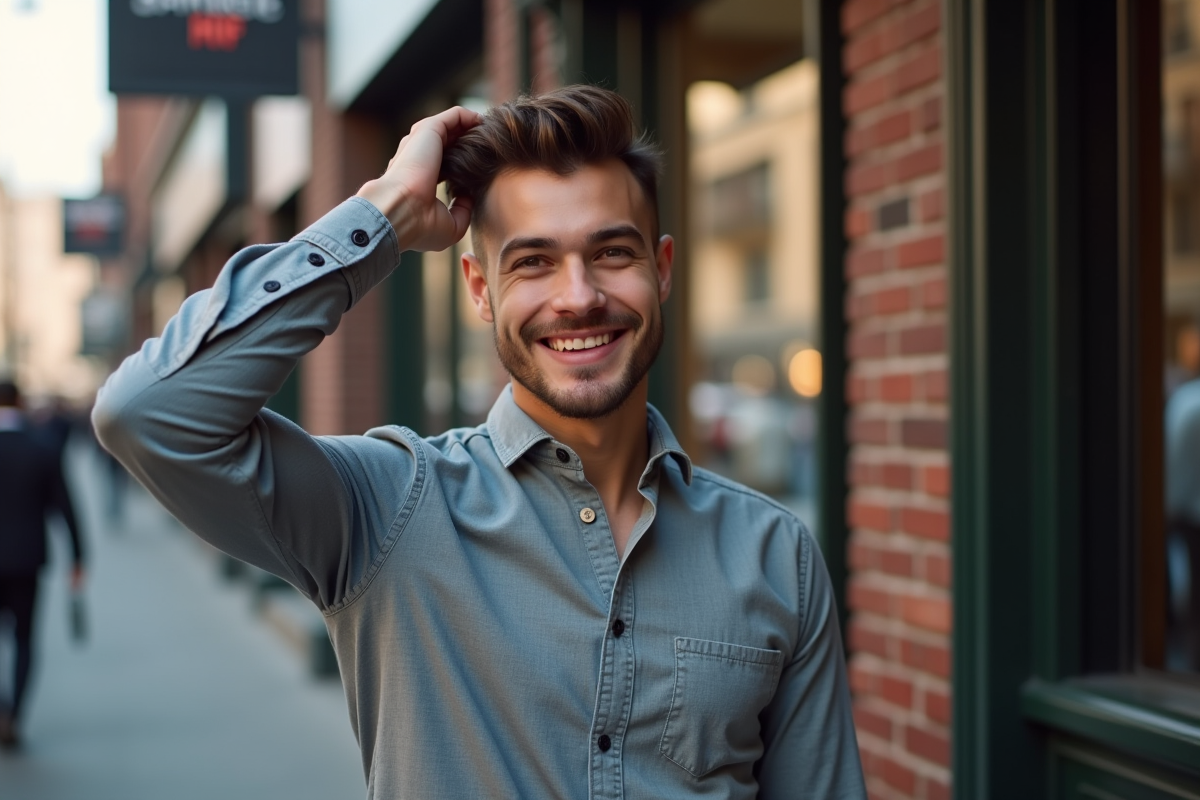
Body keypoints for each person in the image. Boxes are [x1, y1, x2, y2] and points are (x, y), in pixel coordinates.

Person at [93, 86, 865, 797]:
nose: (579, 296)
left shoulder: (775, 554)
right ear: (477, 288)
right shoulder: (386, 509)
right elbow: (149, 413)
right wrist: (386, 214)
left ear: (660, 270)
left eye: (612, 252)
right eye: (532, 262)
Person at [0, 379, 85, 749]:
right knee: (24, 638)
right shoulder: (42, 448)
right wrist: (79, 558)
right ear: (20, 401)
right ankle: (15, 714)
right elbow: (66, 507)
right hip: (26, 559)